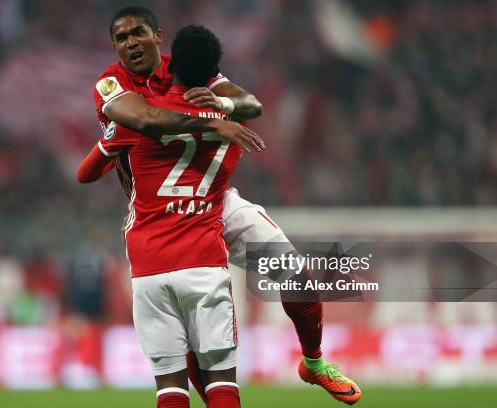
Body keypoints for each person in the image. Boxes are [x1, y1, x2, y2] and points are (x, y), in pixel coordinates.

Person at [93, 6, 361, 405]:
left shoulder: (185, 68)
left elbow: (250, 103)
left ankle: (314, 362)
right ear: (115, 46)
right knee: (192, 349)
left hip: (216, 202)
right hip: (159, 217)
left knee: (295, 275)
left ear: (157, 36)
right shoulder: (110, 85)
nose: (131, 42)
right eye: (122, 38)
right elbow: (147, 119)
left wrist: (227, 105)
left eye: (139, 33)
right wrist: (210, 119)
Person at [79, 25, 243, 408]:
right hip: (203, 258)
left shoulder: (135, 121)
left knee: (170, 388)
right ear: (214, 72)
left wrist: (110, 143)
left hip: (149, 265)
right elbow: (249, 103)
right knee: (220, 382)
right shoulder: (233, 122)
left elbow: (84, 173)